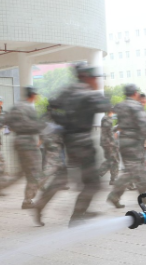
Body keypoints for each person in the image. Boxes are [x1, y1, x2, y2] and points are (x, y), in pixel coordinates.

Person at [35, 65, 110, 226]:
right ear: (87, 78)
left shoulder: (66, 91)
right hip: (83, 142)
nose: (97, 81)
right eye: (95, 78)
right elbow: (105, 105)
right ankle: (77, 216)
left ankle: (40, 205)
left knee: (63, 178)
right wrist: (97, 91)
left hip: (67, 140)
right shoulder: (87, 93)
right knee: (93, 183)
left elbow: (50, 107)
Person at [107, 84, 146, 209]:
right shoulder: (136, 106)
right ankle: (114, 195)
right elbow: (143, 124)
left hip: (124, 140)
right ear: (135, 93)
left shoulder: (120, 105)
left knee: (141, 168)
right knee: (131, 170)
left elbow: (119, 123)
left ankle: (144, 196)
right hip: (135, 142)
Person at [4, 86, 45, 209]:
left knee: (23, 171)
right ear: (33, 95)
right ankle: (28, 200)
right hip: (29, 142)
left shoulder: (15, 106)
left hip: (17, 141)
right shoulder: (29, 108)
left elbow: (6, 122)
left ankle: (3, 183)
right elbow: (37, 126)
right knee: (35, 172)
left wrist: (13, 129)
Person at [98, 106, 119, 184]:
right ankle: (98, 173)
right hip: (109, 143)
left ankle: (113, 179)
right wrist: (114, 144)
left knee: (112, 160)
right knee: (113, 160)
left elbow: (109, 130)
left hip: (106, 143)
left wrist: (117, 127)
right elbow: (109, 133)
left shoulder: (106, 119)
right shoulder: (107, 119)